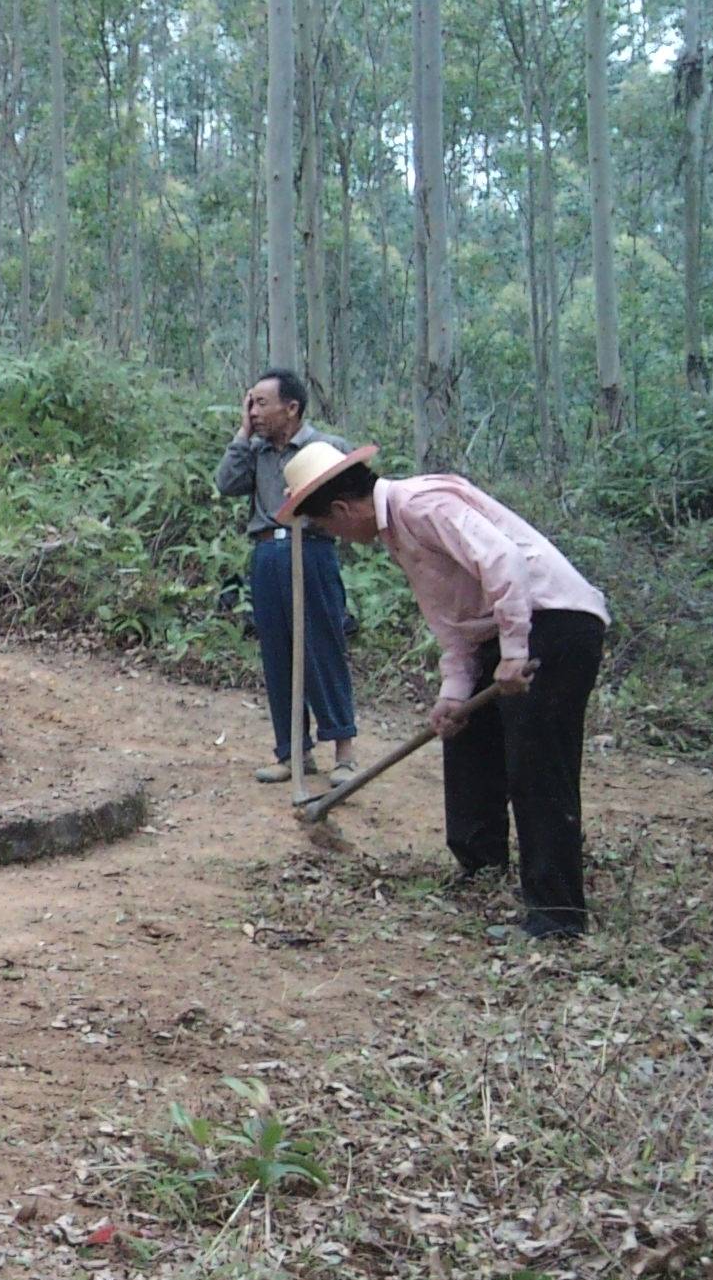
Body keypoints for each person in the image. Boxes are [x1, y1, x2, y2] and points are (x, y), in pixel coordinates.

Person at [279, 444, 611, 941]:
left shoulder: (422, 505)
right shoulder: (396, 533)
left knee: (537, 765)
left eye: (330, 528)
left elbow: (503, 563)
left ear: (345, 510)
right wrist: (454, 693)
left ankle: (558, 916)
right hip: (502, 630)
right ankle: (482, 868)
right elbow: (454, 620)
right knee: (465, 739)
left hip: (554, 620)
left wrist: (516, 651)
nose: (338, 538)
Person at [215, 369, 359, 786]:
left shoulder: (325, 448)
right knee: (277, 654)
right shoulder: (255, 452)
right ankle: (292, 751)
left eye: (262, 403)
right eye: (251, 404)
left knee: (321, 648)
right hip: (266, 555)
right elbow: (226, 484)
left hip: (311, 552)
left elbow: (351, 502)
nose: (254, 412)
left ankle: (344, 753)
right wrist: (242, 434)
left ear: (291, 407)